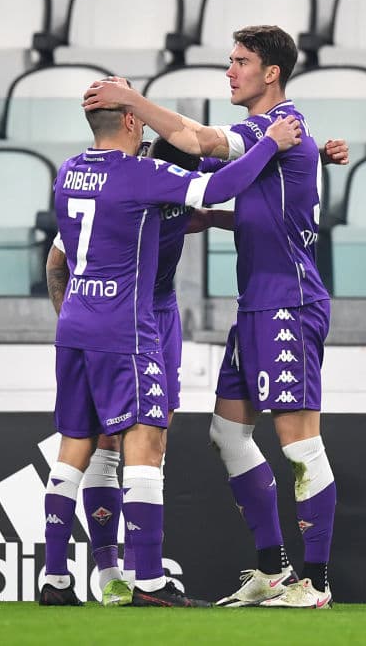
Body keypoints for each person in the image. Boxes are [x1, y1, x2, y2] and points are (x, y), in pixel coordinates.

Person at [84, 24, 339, 608]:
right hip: (256, 303)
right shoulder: (281, 136)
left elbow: (195, 141)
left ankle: (317, 583)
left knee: (301, 445)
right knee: (227, 435)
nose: (230, 71)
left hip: (289, 304)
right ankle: (271, 571)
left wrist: (131, 101)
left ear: (270, 72)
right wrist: (216, 220)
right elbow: (271, 205)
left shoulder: (274, 128)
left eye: (240, 61)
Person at [40, 82, 302, 608]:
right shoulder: (143, 175)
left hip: (75, 324)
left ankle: (55, 579)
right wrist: (271, 143)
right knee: (147, 440)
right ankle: (149, 581)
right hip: (126, 326)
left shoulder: (68, 173)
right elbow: (212, 190)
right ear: (134, 123)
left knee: (75, 443)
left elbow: (62, 257)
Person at [44, 137, 232, 607]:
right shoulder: (135, 185)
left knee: (151, 433)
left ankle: (106, 573)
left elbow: (213, 196)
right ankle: (116, 575)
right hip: (122, 318)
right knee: (117, 438)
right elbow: (58, 260)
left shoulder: (159, 174)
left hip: (157, 314)